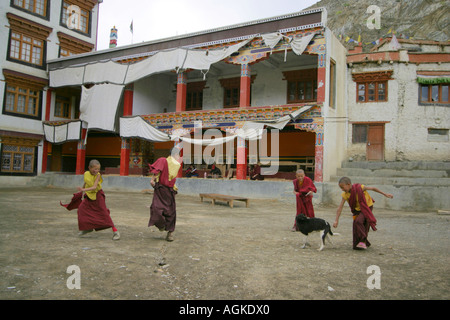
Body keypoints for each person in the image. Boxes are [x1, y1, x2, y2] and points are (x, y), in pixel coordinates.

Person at [61, 159, 120, 240]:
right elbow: (86, 182)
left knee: (104, 213)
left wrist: (83, 190)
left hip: (98, 195)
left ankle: (115, 232)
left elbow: (94, 187)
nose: (97, 171)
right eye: (95, 169)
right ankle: (87, 229)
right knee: (81, 209)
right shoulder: (86, 174)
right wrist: (81, 191)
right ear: (89, 168)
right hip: (89, 195)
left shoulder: (98, 175)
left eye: (98, 169)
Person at [333, 176, 393, 250]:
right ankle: (363, 243)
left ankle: (362, 240)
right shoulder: (345, 194)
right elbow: (340, 207)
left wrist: (385, 194)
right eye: (340, 188)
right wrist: (336, 220)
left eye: (342, 187)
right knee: (356, 228)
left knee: (359, 221)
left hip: (367, 207)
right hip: (357, 210)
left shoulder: (360, 187)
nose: (342, 190)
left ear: (348, 184)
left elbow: (373, 188)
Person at [148, 147, 182, 242]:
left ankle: (170, 233)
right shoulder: (163, 160)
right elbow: (157, 170)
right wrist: (152, 180)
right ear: (175, 155)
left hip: (170, 191)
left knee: (170, 212)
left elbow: (170, 177)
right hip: (160, 189)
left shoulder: (176, 165)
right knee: (156, 209)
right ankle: (161, 225)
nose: (179, 157)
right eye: (178, 155)